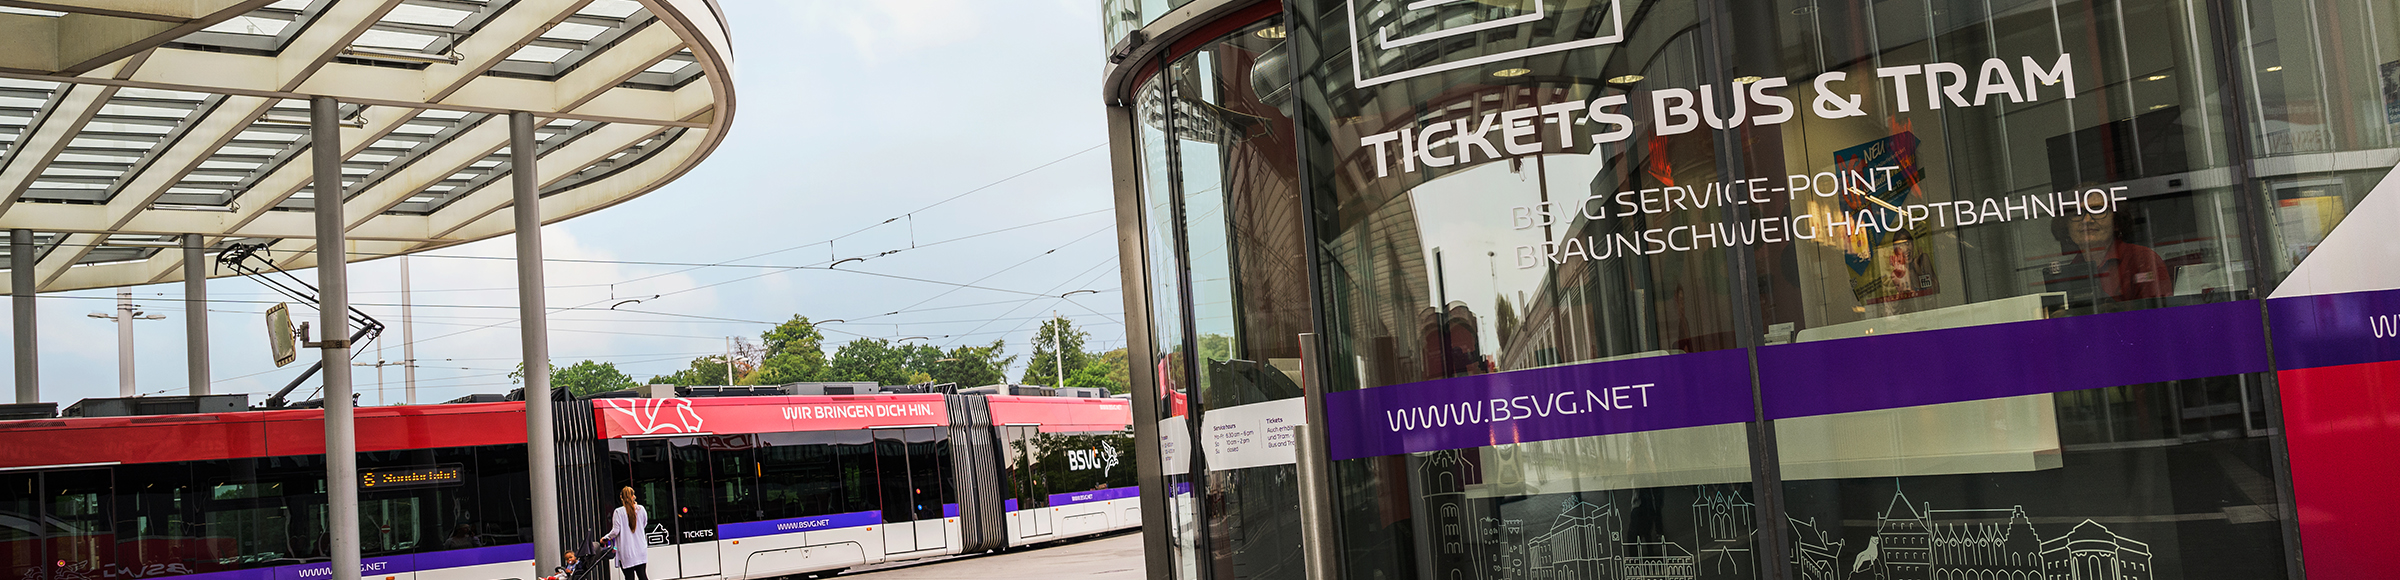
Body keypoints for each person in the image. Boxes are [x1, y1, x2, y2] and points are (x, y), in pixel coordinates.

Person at [2047, 206, 2172, 304]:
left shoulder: (2142, 259)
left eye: (2098, 210)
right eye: (2077, 213)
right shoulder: (2072, 269)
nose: (2087, 220)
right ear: (2066, 227)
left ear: (2116, 221)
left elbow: (2157, 318)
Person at [599, 487, 649, 580]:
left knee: (629, 577)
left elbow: (615, 531)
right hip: (640, 549)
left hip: (627, 551)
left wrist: (605, 538)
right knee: (642, 576)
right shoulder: (641, 509)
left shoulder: (618, 512)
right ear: (633, 496)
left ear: (621, 497)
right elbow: (644, 524)